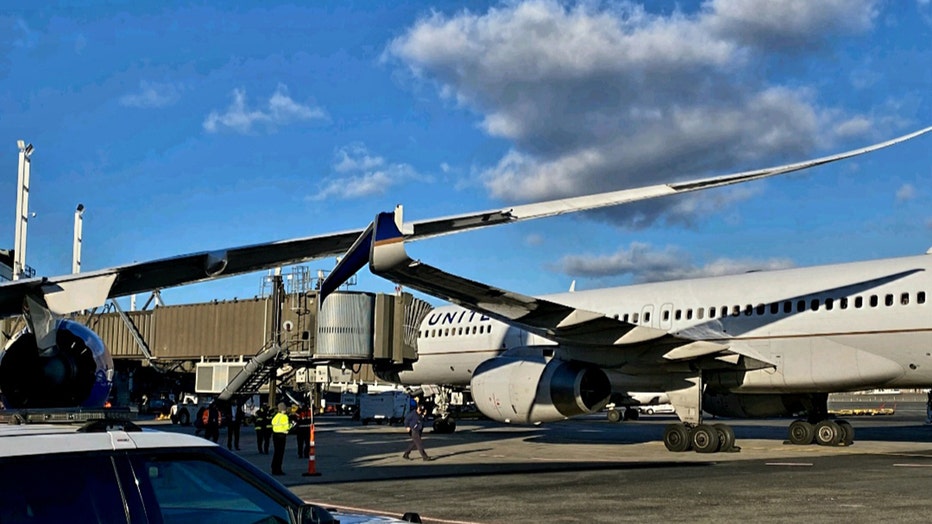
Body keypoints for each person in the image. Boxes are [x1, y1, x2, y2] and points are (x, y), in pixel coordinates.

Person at [270, 402, 294, 475]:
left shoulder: (276, 416)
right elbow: (287, 427)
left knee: (276, 452)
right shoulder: (284, 417)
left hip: (275, 435)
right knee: (280, 453)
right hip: (281, 435)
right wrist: (292, 425)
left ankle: (274, 467)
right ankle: (278, 469)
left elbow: (273, 423)